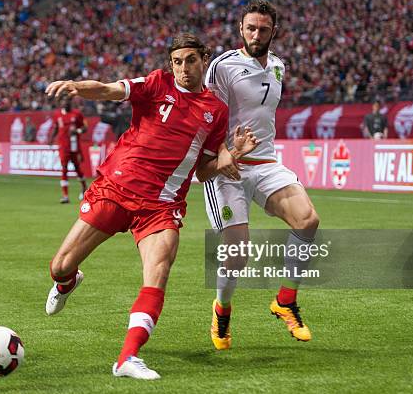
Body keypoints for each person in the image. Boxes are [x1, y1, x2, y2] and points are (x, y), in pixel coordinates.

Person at [44, 33, 258, 380]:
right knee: (60, 266)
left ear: (204, 59)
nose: (184, 68)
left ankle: (127, 358)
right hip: (114, 189)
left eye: (190, 60)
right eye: (177, 61)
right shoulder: (157, 85)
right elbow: (110, 89)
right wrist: (77, 86)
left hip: (161, 206)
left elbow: (203, 171)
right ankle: (67, 282)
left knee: (158, 274)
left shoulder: (215, 111)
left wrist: (231, 155)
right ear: (169, 64)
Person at [202, 0, 320, 350]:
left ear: (274, 32)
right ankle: (222, 309)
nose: (256, 34)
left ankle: (285, 301)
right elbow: (206, 114)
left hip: (267, 163)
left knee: (308, 220)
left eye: (263, 29)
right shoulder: (223, 65)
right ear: (241, 29)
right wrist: (224, 153)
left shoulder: (279, 66)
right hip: (229, 167)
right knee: (238, 253)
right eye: (250, 28)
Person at [49, 98, 88, 203]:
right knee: (64, 168)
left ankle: (84, 187)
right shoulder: (57, 115)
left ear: (71, 103)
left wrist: (78, 130)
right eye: (64, 103)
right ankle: (65, 196)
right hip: (63, 146)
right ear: (61, 104)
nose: (66, 105)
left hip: (74, 146)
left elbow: (85, 128)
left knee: (77, 168)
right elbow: (56, 128)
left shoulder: (77, 114)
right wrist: (51, 139)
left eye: (67, 103)